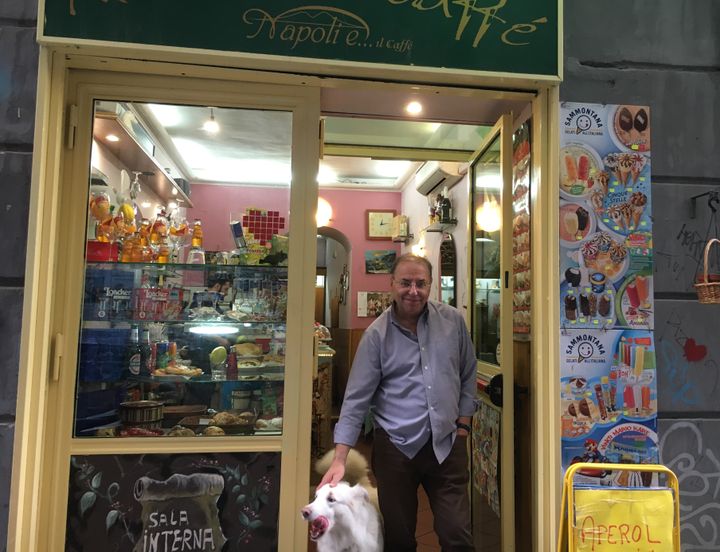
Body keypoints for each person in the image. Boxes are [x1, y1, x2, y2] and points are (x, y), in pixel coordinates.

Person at [319, 253, 477, 551]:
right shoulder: (376, 335)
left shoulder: (453, 322)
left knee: (456, 533)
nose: (413, 291)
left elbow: (468, 374)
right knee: (399, 537)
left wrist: (464, 426)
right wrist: (340, 458)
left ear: (431, 285)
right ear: (391, 284)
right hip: (396, 450)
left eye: (421, 283)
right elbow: (355, 400)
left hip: (446, 444)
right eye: (405, 282)